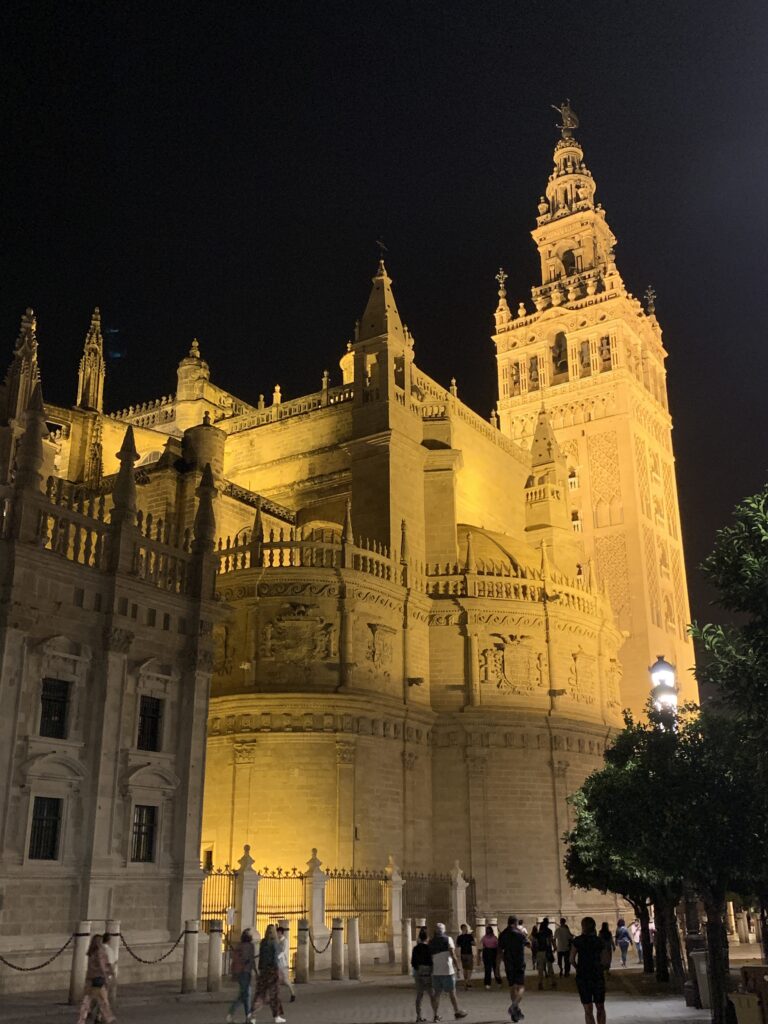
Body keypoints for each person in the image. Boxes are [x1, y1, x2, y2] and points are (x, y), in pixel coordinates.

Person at [428, 922, 468, 1021]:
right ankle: (456, 1011)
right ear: (444, 930)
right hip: (447, 970)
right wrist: (458, 968)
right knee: (452, 993)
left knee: (436, 994)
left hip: (436, 972)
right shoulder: (448, 939)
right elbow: (453, 955)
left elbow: (429, 957)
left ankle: (435, 1015)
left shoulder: (431, 942)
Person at [571, 917, 606, 1024]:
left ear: (583, 926)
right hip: (597, 975)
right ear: (594, 927)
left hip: (583, 976)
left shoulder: (577, 941)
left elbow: (571, 959)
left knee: (588, 1009)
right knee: (600, 1007)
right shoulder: (599, 941)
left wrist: (578, 968)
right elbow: (606, 961)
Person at [249, 924, 285, 1023]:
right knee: (274, 994)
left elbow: (261, 958)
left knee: (260, 994)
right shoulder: (275, 943)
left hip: (263, 971)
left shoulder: (263, 942)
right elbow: (276, 958)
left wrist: (259, 970)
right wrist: (279, 971)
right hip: (272, 971)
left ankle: (253, 1016)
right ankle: (276, 1016)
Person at [76, 935, 116, 1024]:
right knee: (103, 1001)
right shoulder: (100, 952)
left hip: (90, 979)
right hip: (98, 979)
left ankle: (81, 1020)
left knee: (87, 1000)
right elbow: (102, 966)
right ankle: (108, 1019)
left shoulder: (91, 952)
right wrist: (107, 977)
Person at [498, 915, 529, 1023]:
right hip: (519, 963)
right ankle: (514, 1006)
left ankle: (515, 1012)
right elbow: (529, 944)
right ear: (516, 923)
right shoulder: (520, 934)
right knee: (521, 987)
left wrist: (499, 964)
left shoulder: (503, 934)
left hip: (508, 963)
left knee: (512, 986)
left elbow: (499, 951)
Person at [228, 928, 256, 1023]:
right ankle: (232, 1014)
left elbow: (235, 958)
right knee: (245, 995)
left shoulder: (239, 945)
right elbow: (251, 960)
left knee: (245, 994)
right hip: (246, 972)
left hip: (239, 972)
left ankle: (247, 1017)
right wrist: (256, 972)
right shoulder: (250, 946)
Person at [411, 927, 436, 1023]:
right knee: (432, 995)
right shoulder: (429, 948)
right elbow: (431, 961)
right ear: (427, 938)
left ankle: (418, 1016)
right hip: (427, 972)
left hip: (417, 972)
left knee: (419, 995)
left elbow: (412, 962)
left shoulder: (415, 948)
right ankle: (435, 1015)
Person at [535, 917, 556, 990]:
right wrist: (555, 947)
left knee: (540, 968)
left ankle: (540, 983)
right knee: (550, 967)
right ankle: (553, 982)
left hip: (539, 952)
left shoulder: (538, 933)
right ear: (547, 924)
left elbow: (534, 942)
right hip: (547, 951)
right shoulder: (549, 931)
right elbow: (551, 940)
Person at [276, 926, 295, 1002]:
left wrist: (277, 957)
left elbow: (283, 951)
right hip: (278, 963)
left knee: (286, 981)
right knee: (277, 980)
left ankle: (292, 993)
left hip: (283, 963)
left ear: (280, 933)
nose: (277, 934)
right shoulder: (278, 941)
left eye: (277, 932)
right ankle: (275, 996)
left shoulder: (285, 941)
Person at [481, 924, 502, 989]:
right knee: (495, 967)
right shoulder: (494, 937)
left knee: (487, 969)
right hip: (493, 952)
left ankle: (487, 983)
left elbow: (482, 944)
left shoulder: (484, 937)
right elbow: (497, 945)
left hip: (486, 952)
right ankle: (498, 981)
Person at [455, 924, 475, 989]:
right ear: (465, 928)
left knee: (465, 968)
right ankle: (467, 981)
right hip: (469, 953)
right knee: (470, 968)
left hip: (462, 953)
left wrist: (462, 944)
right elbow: (473, 943)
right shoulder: (470, 936)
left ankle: (465, 981)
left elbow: (457, 945)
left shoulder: (459, 937)